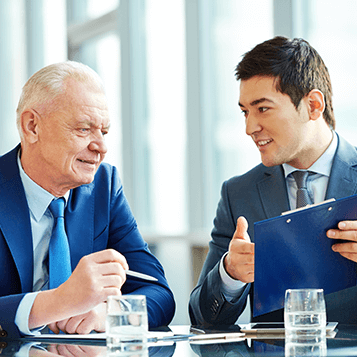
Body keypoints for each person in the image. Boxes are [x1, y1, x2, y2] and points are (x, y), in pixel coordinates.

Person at [189, 36, 357, 326]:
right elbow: (203, 318)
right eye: (245, 111)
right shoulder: (238, 193)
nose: (249, 127)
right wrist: (230, 273)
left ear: (313, 105)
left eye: (262, 108)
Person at [0, 61, 175, 338]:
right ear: (32, 126)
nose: (101, 147)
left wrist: (109, 313)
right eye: (83, 129)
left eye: (103, 132)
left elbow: (159, 293)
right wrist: (55, 303)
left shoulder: (104, 187)